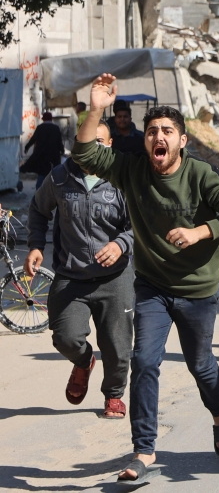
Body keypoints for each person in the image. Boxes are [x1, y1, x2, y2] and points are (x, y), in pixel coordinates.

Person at [73, 74, 219, 485]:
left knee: (200, 365)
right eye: (153, 130)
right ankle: (143, 450)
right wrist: (95, 106)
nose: (159, 137)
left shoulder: (202, 174)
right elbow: (83, 152)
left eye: (168, 131)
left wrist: (199, 232)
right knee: (144, 361)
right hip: (152, 285)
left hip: (198, 289)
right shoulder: (130, 169)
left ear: (182, 141)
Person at [26, 120, 134, 420]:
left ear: (110, 145)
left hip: (115, 278)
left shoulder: (122, 178)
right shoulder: (60, 177)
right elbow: (38, 209)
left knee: (117, 344)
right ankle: (84, 362)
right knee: (65, 337)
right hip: (71, 277)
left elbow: (139, 222)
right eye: (88, 141)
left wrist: (121, 244)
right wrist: (36, 245)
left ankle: (113, 395)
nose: (93, 147)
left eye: (101, 141)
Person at [21, 112, 64, 189]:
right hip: (54, 156)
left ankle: (38, 193)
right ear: (51, 119)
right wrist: (62, 150)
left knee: (42, 174)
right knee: (53, 175)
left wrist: (27, 147)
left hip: (42, 156)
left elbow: (33, 139)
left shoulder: (40, 127)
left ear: (43, 119)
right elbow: (59, 142)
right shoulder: (56, 128)